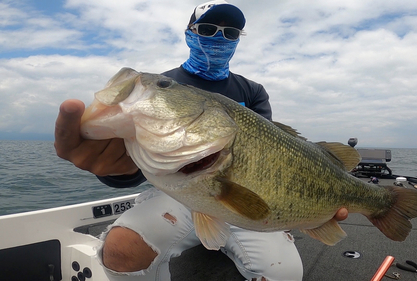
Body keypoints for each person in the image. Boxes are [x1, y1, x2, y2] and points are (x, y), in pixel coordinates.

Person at [54, 1, 348, 280]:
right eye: (207, 29)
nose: (219, 38)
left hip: (250, 196)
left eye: (230, 33)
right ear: (189, 33)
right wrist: (115, 170)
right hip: (177, 192)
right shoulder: (167, 83)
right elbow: (129, 168)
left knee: (284, 273)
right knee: (120, 248)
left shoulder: (253, 90)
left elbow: (274, 157)